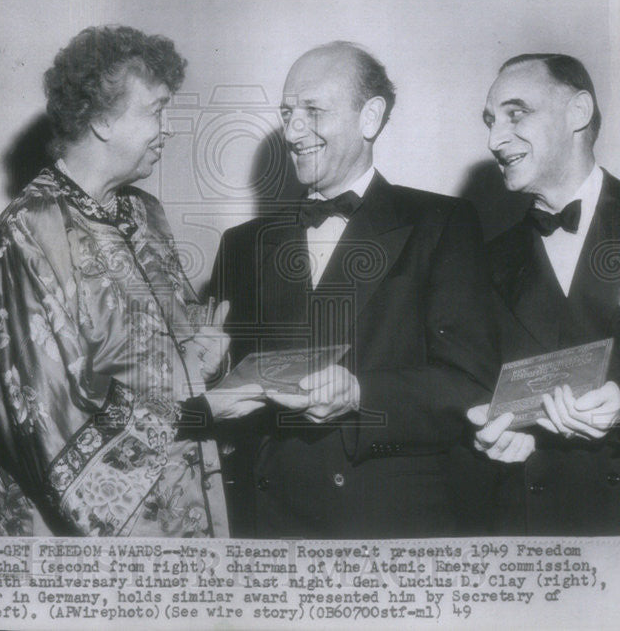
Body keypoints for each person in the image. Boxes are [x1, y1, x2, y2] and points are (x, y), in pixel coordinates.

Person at [209, 42, 499, 538]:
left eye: (313, 111)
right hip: (267, 522)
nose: (293, 130)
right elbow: (224, 395)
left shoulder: (441, 223)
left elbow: (472, 382)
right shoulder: (241, 244)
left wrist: (362, 392)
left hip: (387, 522)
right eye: (287, 112)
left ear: (370, 118)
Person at [0, 25, 259, 537]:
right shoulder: (29, 230)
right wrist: (196, 412)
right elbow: (46, 415)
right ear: (104, 120)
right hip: (91, 543)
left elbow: (159, 354)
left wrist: (204, 354)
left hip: (184, 503)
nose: (168, 127)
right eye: (155, 110)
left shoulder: (143, 213)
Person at [470, 53, 620, 534]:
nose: (494, 140)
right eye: (491, 122)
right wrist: (499, 435)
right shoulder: (486, 259)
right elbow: (485, 392)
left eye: (516, 114)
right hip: (540, 522)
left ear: (578, 112)